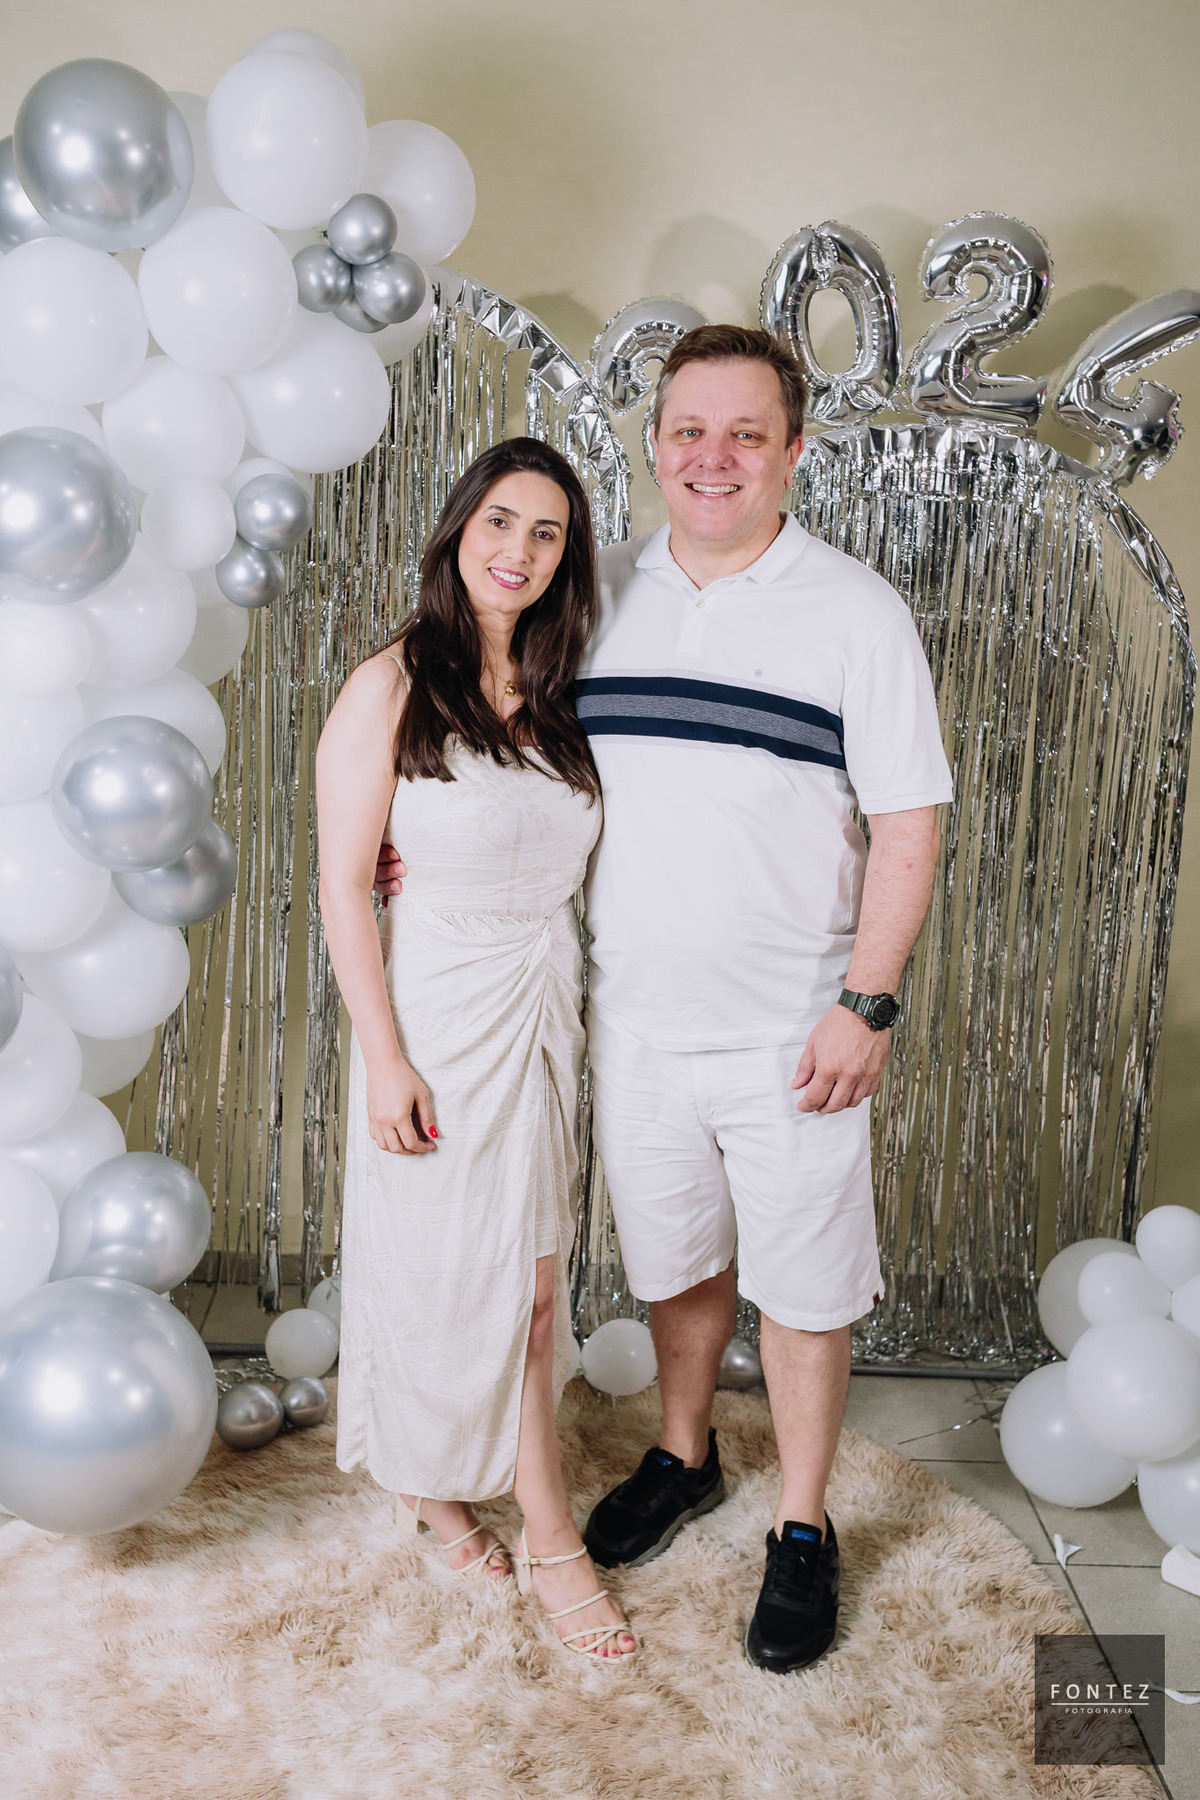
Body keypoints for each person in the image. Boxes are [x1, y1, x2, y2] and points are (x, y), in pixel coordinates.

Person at [378, 325, 952, 1676]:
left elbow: (911, 824)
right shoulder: (599, 595)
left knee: (805, 1282)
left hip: (797, 1026)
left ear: (793, 454)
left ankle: (801, 1525)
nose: (713, 458)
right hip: (630, 1017)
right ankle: (684, 1454)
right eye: (690, 430)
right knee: (681, 1262)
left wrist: (867, 1003)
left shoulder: (856, 611)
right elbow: (507, 747)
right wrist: (423, 849)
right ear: (653, 445)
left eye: (746, 435)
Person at [316, 436, 636, 1661]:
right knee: (442, 1269)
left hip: (540, 1002)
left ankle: (492, 1494)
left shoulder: (563, 691)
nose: (519, 551)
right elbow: (347, 886)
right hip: (436, 1012)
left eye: (547, 533)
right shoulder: (390, 684)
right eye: (500, 521)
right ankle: (506, 1518)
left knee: (535, 1283)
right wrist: (384, 1057)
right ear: (459, 529)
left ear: (568, 560)